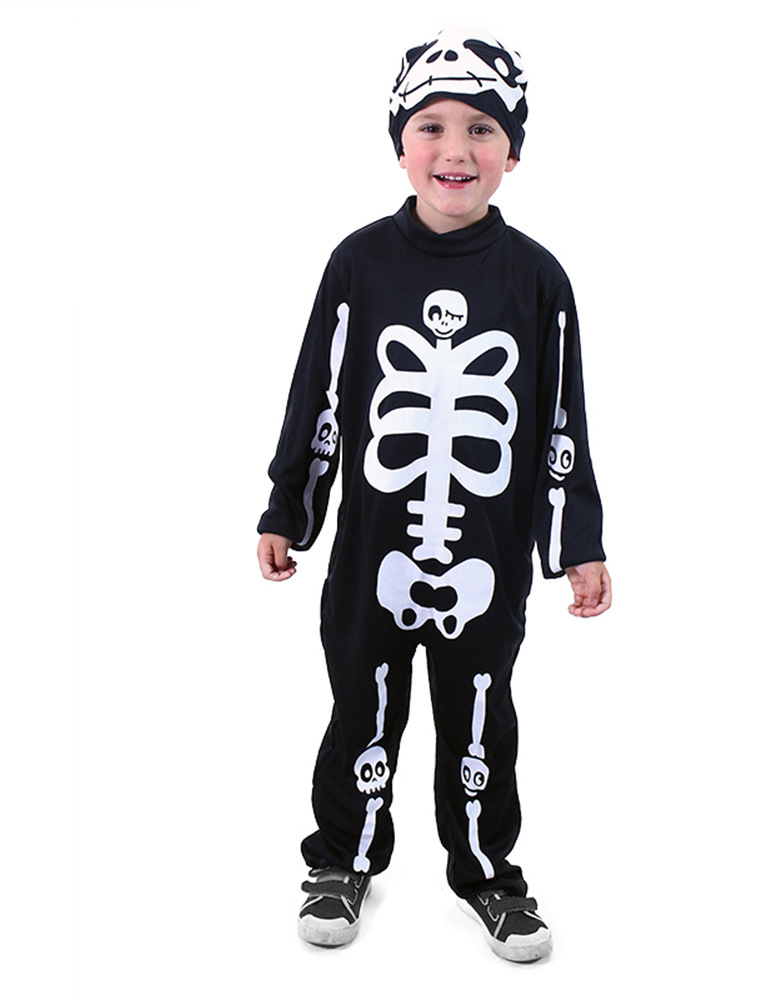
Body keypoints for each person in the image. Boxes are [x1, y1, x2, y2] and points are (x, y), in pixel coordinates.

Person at [256, 27, 611, 963]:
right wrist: (289, 508)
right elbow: (319, 394)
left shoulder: (538, 279)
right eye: (433, 127)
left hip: (487, 557)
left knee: (481, 716)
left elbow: (562, 415)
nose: (457, 149)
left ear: (513, 151)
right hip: (372, 551)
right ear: (400, 144)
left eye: (483, 129)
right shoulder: (358, 263)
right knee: (361, 708)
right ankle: (343, 858)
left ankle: (489, 873)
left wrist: (577, 537)